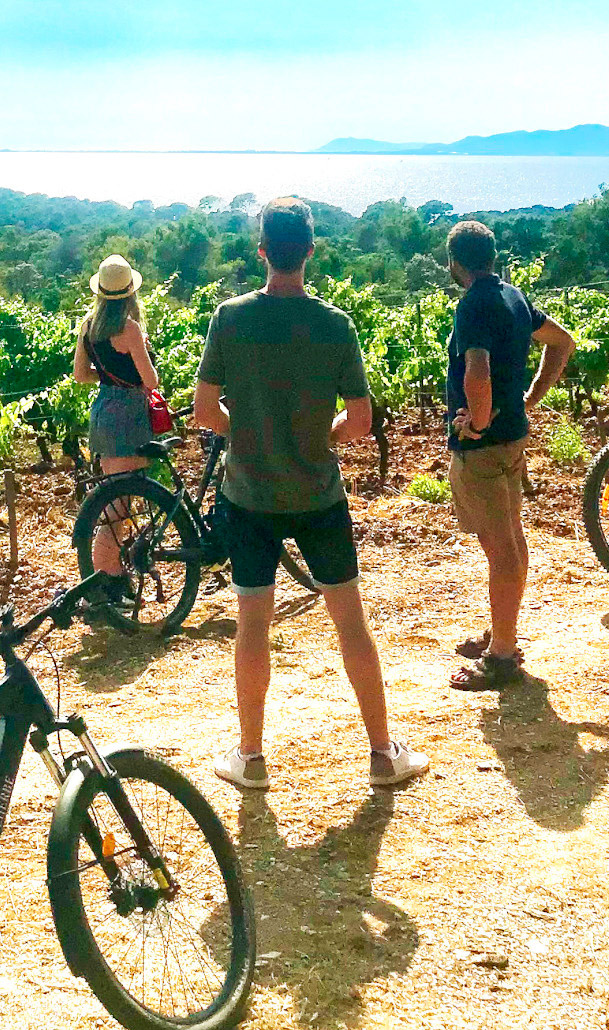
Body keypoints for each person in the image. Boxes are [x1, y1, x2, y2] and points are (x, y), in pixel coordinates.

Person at [194, 197, 429, 790]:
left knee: (253, 625)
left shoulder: (230, 318)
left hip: (248, 494)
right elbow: (360, 420)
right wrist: (319, 437)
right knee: (350, 620)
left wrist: (246, 431)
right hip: (319, 494)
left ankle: (250, 758)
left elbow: (203, 410)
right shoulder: (335, 326)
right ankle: (382, 754)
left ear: (262, 251)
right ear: (311, 252)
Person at [442, 220, 576, 691]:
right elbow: (562, 342)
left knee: (502, 550)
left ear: (455, 264)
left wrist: (477, 423)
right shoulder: (514, 297)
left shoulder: (472, 305)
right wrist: (530, 397)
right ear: (492, 257)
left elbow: (476, 373)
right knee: (510, 542)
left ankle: (502, 657)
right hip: (513, 439)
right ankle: (502, 633)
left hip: (485, 447)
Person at [74, 254, 160, 581]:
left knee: (115, 499)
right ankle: (105, 580)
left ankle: (110, 573)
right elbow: (150, 381)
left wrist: (108, 380)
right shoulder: (130, 329)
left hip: (104, 410)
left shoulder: (88, 327)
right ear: (129, 292)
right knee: (117, 508)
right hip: (129, 415)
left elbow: (81, 375)